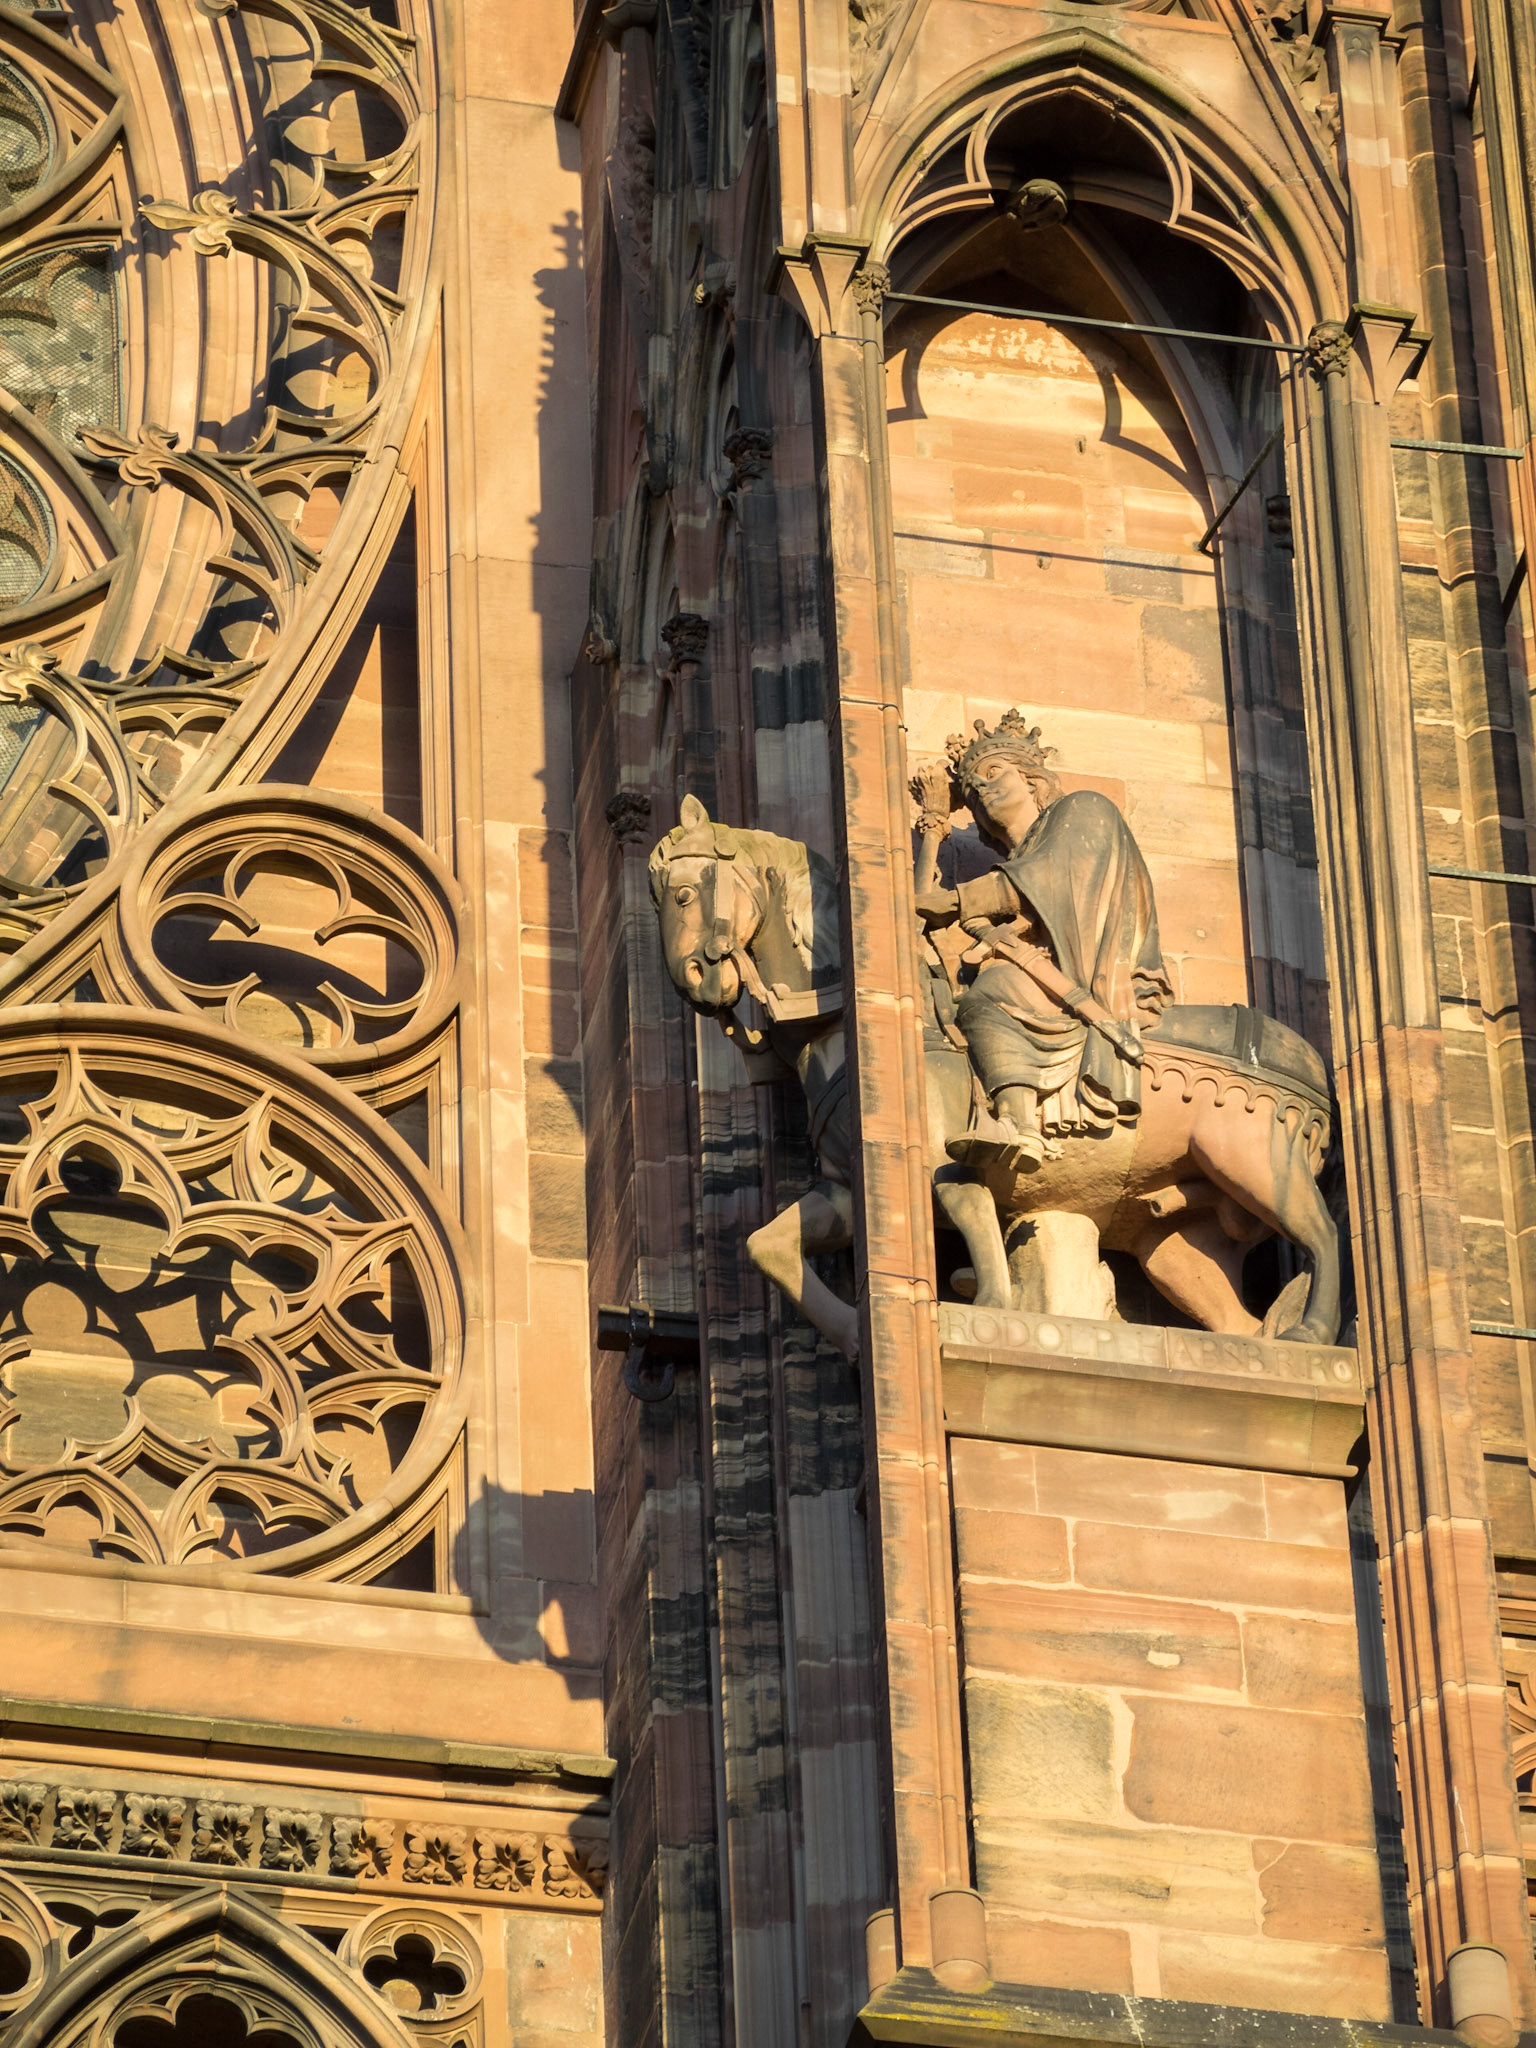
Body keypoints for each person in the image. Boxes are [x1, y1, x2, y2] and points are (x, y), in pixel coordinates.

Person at [914, 711, 1172, 1171]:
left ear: (1032, 779)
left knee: (989, 996)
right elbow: (918, 910)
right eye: (972, 789)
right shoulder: (1023, 857)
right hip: (1050, 974)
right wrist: (933, 823)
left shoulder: (1083, 811)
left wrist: (957, 901)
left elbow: (1043, 878)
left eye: (994, 773)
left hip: (1093, 976)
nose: (982, 788)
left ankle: (1019, 1126)